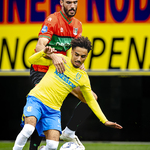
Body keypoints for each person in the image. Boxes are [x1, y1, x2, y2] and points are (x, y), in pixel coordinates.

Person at [13, 36, 122, 150]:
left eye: (83, 56)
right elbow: (31, 61)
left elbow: (90, 99)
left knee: (52, 146)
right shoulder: (60, 59)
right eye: (76, 54)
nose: (79, 58)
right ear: (72, 51)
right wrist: (43, 52)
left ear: (87, 56)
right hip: (36, 100)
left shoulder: (83, 77)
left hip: (53, 110)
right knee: (28, 129)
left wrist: (105, 121)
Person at [29, 0, 97, 150]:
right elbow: (39, 46)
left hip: (61, 70)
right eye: (68, 2)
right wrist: (53, 56)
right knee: (43, 108)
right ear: (61, 2)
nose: (72, 6)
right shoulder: (52, 20)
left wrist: (79, 63)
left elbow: (73, 52)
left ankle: (69, 132)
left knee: (91, 98)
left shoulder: (77, 25)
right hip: (42, 70)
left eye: (75, 2)